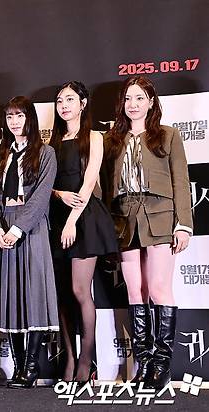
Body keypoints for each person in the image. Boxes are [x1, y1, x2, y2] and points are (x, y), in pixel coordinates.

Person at [104, 76, 192, 389]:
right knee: (135, 290)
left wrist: (184, 224)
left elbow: (181, 180)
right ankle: (144, 364)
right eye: (128, 98)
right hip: (124, 219)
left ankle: (162, 366)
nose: (133, 104)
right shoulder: (112, 139)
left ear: (151, 102)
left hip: (161, 217)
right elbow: (106, 186)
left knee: (158, 289)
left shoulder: (168, 135)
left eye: (140, 98)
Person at [0, 96, 58, 389]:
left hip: (31, 228)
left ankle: (31, 367)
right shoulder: (1, 156)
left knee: (34, 294)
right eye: (10, 116)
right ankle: (17, 367)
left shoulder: (46, 153)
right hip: (3, 229)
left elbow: (40, 197)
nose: (14, 122)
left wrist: (17, 230)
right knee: (10, 296)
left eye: (20, 115)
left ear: (30, 118)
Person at [48, 81, 118, 383]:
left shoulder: (94, 137)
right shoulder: (51, 142)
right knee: (62, 294)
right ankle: (69, 359)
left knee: (80, 290)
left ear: (83, 103)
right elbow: (43, 184)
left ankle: (87, 361)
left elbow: (89, 183)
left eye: (70, 99)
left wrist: (71, 221)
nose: (64, 105)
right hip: (56, 217)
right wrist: (58, 195)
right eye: (60, 100)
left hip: (84, 219)